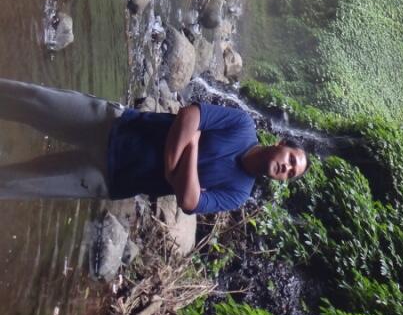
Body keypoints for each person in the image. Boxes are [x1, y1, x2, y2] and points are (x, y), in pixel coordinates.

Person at [0, 78, 307, 214]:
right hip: (115, 125)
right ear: (280, 143)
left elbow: (189, 202)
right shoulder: (242, 126)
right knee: (31, 101)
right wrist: (175, 169)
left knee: (17, 183)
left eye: (291, 173)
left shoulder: (238, 194)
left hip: (108, 178)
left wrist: (194, 145)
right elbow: (189, 116)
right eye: (292, 159)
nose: (287, 168)